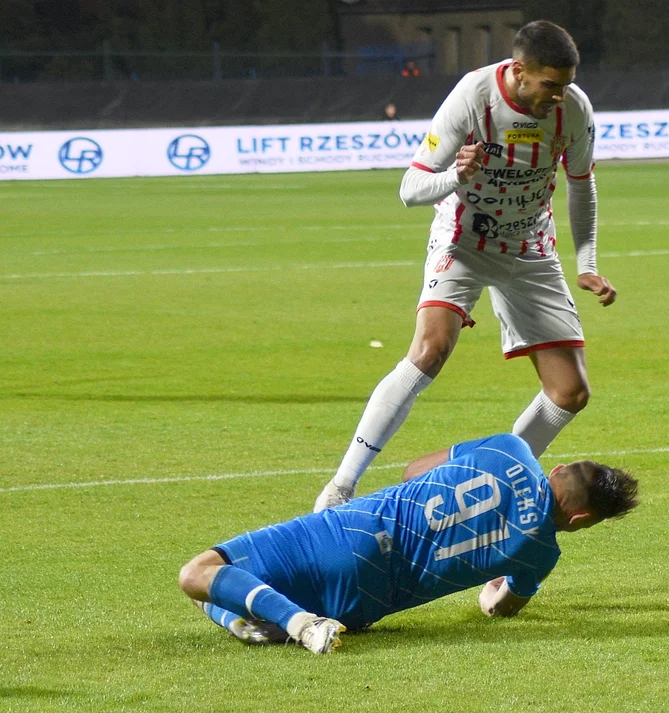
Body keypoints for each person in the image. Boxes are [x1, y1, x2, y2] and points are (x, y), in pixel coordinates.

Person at [313, 20, 615, 511]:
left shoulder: (574, 109)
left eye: (565, 85)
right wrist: (458, 173)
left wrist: (587, 262)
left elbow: (581, 183)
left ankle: (497, 477)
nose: (560, 96)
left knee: (570, 393)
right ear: (519, 71)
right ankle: (340, 487)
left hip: (530, 247)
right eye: (550, 85)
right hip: (464, 239)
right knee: (430, 350)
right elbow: (410, 189)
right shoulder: (473, 97)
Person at [178, 433, 639, 654]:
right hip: (364, 602)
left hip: (349, 533)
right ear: (580, 519)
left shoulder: (510, 449)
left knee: (198, 574)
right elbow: (500, 607)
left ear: (557, 470)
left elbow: (413, 471)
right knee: (224, 599)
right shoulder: (540, 555)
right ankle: (260, 622)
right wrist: (489, 587)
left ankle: (299, 625)